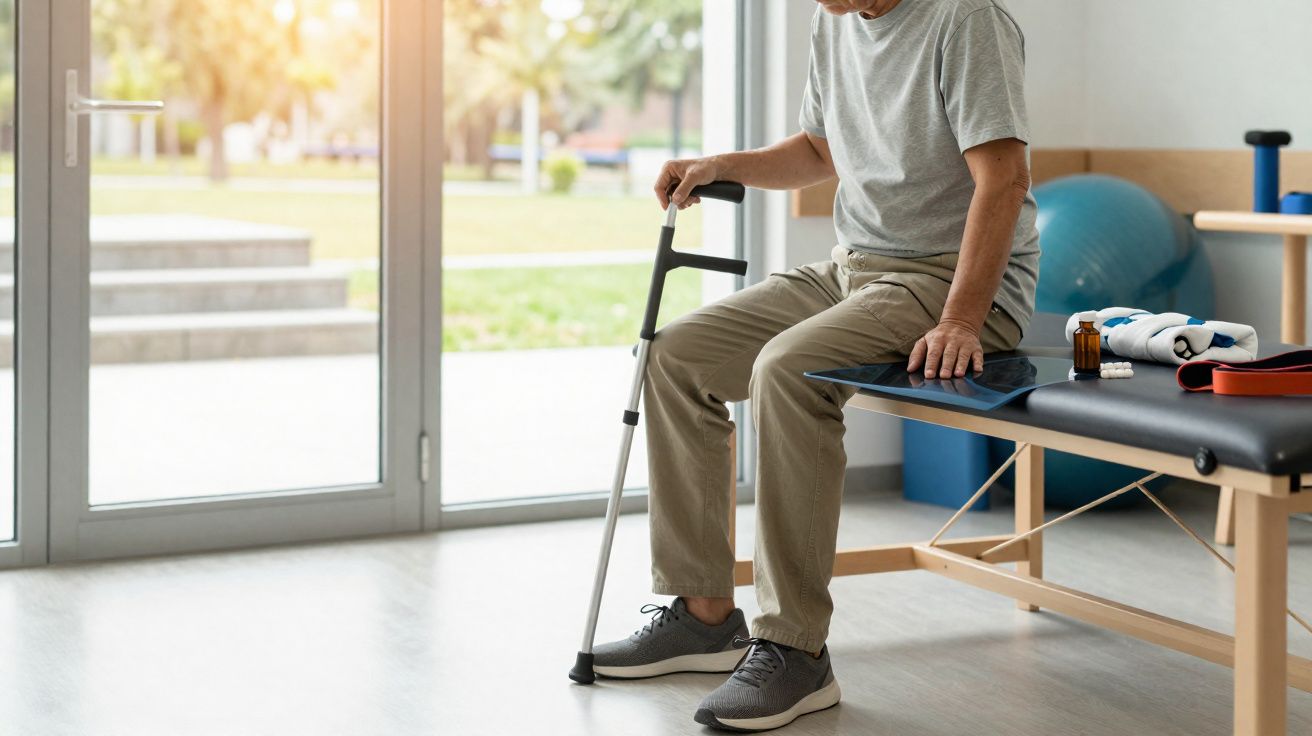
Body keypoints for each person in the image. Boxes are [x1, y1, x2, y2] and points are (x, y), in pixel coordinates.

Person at [591, 0, 1039, 730]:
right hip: (855, 270)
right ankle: (705, 616)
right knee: (674, 357)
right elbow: (819, 151)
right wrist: (720, 166)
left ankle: (795, 651)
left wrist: (960, 318)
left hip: (949, 282)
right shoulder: (835, 19)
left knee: (786, 369)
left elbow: (1005, 179)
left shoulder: (966, 19)